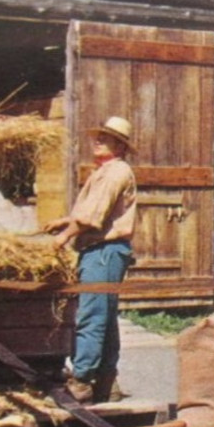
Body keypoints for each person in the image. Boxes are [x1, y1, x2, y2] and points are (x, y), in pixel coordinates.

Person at [44, 116, 137, 404]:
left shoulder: (115, 172)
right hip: (103, 251)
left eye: (105, 138)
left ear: (120, 146)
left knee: (91, 315)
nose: (97, 140)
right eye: (98, 136)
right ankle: (108, 382)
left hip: (104, 252)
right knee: (105, 317)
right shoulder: (106, 171)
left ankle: (82, 382)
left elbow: (93, 217)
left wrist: (64, 237)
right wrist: (64, 221)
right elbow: (92, 212)